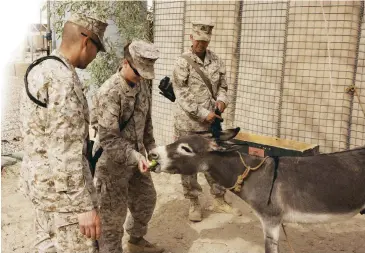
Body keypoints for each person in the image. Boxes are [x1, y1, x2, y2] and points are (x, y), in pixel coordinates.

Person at [20, 14, 108, 252]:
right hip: (65, 200)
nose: (95, 56)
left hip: (41, 189)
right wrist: (83, 208)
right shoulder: (63, 80)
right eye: (97, 49)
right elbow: (65, 149)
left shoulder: (42, 68)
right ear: (86, 41)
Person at [92, 40, 164, 253]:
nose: (141, 77)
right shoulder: (110, 92)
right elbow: (109, 139)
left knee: (147, 200)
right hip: (111, 165)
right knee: (112, 221)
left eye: (144, 73)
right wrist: (135, 155)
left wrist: (152, 149)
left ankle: (136, 240)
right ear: (125, 63)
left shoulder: (141, 84)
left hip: (137, 160)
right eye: (137, 71)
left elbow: (146, 123)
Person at [172, 20, 242, 222]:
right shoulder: (182, 62)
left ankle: (219, 199)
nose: (202, 44)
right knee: (188, 164)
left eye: (205, 41)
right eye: (199, 40)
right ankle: (194, 202)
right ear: (191, 37)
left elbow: (224, 87)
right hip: (187, 123)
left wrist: (221, 102)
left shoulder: (217, 61)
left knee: (213, 160)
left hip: (210, 125)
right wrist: (203, 113)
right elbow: (181, 94)